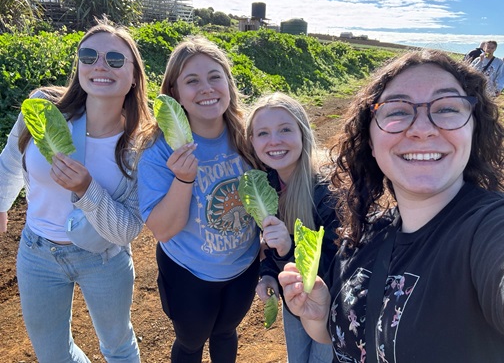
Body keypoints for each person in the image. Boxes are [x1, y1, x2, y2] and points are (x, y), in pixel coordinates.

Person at [278, 49, 504, 362]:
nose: (422, 128)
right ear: (370, 140)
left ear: (473, 127)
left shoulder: (488, 229)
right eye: (397, 111)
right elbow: (343, 339)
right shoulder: (362, 235)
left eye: (447, 108)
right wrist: (318, 316)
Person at [0, 18, 153, 362]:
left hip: (105, 259)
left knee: (117, 345)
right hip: (37, 253)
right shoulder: (43, 107)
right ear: (78, 66)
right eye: (88, 56)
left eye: (115, 60)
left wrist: (86, 190)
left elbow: (128, 228)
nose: (100, 65)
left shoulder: (141, 145)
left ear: (133, 77)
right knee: (52, 355)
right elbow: (10, 160)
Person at [137, 36, 260, 363]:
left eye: (215, 77)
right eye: (192, 80)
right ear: (174, 92)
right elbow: (163, 230)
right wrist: (183, 179)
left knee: (225, 333)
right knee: (190, 343)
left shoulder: (248, 136)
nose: (207, 88)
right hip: (188, 273)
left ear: (229, 84)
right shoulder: (159, 150)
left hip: (243, 267)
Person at [246, 92, 340, 362]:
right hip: (293, 301)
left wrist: (290, 249)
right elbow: (268, 245)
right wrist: (266, 274)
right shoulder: (265, 186)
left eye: (285, 129)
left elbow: (339, 268)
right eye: (263, 133)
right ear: (252, 141)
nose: (274, 141)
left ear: (303, 133)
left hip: (330, 308)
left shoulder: (328, 191)